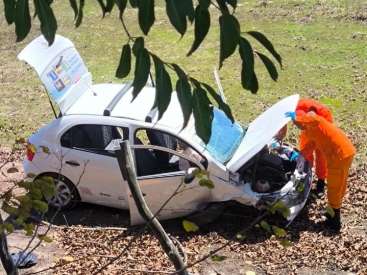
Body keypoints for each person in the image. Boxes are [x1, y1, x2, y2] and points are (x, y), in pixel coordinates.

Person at [286, 110, 356, 232]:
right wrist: (300, 155)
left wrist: (295, 118)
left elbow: (310, 119)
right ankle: (332, 212)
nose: (297, 126)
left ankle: (335, 222)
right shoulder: (313, 130)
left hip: (340, 156)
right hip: (344, 152)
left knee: (335, 187)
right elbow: (311, 145)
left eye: (298, 124)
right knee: (337, 186)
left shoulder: (315, 122)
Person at [296, 99, 333, 196]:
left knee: (321, 155)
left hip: (321, 133)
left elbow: (315, 143)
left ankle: (321, 181)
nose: (301, 128)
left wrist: (303, 153)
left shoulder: (325, 118)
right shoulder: (298, 108)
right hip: (308, 127)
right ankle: (306, 175)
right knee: (306, 154)